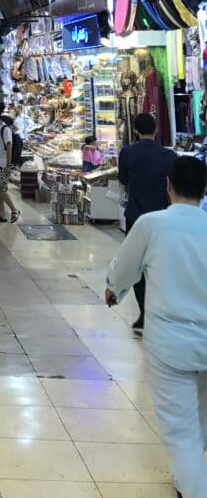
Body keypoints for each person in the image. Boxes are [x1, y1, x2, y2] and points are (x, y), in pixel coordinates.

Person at [105, 156, 207, 498]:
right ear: (204, 190)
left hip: (170, 343)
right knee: (201, 418)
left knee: (180, 431)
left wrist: (113, 289)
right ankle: (187, 477)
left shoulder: (152, 224)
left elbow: (124, 268)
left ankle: (195, 486)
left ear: (168, 185)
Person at [118, 111, 175, 333]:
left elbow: (123, 180)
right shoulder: (169, 155)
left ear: (135, 131)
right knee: (160, 264)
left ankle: (144, 312)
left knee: (137, 266)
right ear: (156, 129)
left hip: (136, 216)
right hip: (162, 217)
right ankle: (160, 312)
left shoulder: (127, 152)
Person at [0, 105, 21, 223]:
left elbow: (9, 147)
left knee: (0, 189)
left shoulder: (5, 129)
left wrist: (8, 165)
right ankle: (1, 215)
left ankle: (14, 210)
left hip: (1, 164)